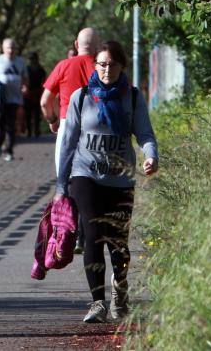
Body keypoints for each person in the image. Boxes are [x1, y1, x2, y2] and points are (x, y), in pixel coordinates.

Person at [55, 40, 158, 323]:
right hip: (85, 175)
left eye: (112, 64)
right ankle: (97, 302)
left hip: (121, 180)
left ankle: (119, 291)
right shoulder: (82, 96)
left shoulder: (133, 98)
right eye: (101, 64)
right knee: (93, 235)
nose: (106, 69)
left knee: (119, 242)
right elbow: (68, 142)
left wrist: (151, 156)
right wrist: (61, 185)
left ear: (122, 66)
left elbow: (145, 134)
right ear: (94, 65)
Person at [42, 28, 98, 253]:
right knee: (91, 180)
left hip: (67, 126)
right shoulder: (102, 67)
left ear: (76, 44)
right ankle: (87, 235)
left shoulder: (64, 66)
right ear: (98, 47)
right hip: (95, 128)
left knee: (67, 179)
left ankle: (69, 234)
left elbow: (45, 101)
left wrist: (52, 120)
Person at [0, 38, 28, 161]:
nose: (10, 50)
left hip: (14, 98)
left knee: (11, 124)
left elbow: (24, 77)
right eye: (8, 47)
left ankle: (9, 150)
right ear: (3, 48)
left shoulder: (20, 61)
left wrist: (24, 86)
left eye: (13, 48)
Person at [24, 52, 47, 137]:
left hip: (38, 93)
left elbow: (44, 81)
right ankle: (29, 131)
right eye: (30, 59)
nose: (32, 60)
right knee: (28, 113)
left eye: (33, 58)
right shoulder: (26, 69)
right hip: (28, 93)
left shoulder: (41, 69)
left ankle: (37, 130)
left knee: (37, 113)